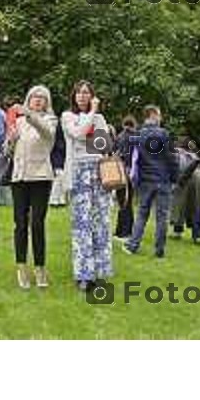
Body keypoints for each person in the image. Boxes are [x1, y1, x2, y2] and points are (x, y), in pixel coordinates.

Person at [62, 80, 112, 291]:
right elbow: (78, 133)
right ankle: (84, 274)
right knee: (82, 224)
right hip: (78, 172)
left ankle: (100, 271)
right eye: (79, 93)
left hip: (99, 172)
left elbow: (102, 146)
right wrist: (92, 113)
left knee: (100, 222)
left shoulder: (99, 118)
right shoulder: (68, 116)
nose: (82, 96)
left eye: (87, 93)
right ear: (74, 96)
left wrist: (96, 119)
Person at [8, 85, 57, 289]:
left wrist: (28, 114)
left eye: (42, 98)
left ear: (47, 102)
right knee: (20, 224)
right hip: (19, 178)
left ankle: (40, 268)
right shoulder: (18, 122)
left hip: (41, 178)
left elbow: (46, 133)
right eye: (34, 97)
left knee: (37, 224)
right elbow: (11, 150)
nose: (37, 100)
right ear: (28, 99)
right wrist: (10, 141)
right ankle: (21, 267)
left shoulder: (50, 121)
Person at [123, 105, 179, 258]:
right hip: (163, 180)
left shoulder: (139, 135)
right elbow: (172, 159)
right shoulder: (164, 134)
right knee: (162, 217)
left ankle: (133, 245)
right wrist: (175, 178)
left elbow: (134, 159)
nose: (161, 118)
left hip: (145, 181)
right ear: (153, 114)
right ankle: (159, 250)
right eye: (159, 115)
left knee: (142, 214)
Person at [171, 138, 200, 244]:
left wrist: (177, 184)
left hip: (190, 177)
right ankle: (197, 236)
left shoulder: (181, 154)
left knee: (181, 205)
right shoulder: (194, 154)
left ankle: (179, 233)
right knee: (197, 206)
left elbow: (183, 170)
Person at [114, 115, 137, 240]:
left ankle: (122, 231)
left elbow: (114, 152)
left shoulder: (120, 137)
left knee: (122, 201)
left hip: (119, 171)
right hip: (130, 172)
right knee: (127, 201)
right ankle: (126, 231)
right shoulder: (135, 137)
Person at [49, 122, 67, 207]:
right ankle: (54, 200)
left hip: (62, 157)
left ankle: (61, 199)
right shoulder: (57, 135)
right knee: (59, 177)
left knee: (62, 179)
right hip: (57, 158)